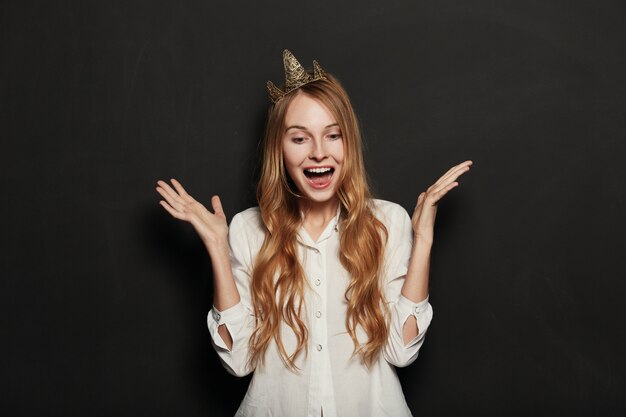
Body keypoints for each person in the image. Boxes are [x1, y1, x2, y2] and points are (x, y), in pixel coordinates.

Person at [155, 50, 472, 417]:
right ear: (280, 149)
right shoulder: (246, 229)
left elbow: (402, 351)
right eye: (300, 138)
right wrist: (216, 246)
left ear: (347, 143)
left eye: (332, 135)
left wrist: (424, 241)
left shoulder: (388, 222)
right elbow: (238, 360)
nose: (319, 153)